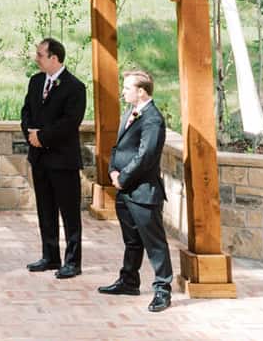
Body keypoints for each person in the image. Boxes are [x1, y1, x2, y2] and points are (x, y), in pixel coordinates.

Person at [99, 69, 173, 312]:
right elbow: (120, 146)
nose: (123, 91)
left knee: (155, 243)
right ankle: (129, 280)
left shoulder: (152, 119)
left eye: (127, 87)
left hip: (143, 192)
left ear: (141, 92)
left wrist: (123, 178)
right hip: (125, 190)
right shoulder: (129, 112)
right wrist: (112, 171)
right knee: (132, 241)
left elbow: (146, 156)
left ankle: (162, 289)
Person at [19, 37, 86, 279]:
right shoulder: (36, 82)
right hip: (39, 159)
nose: (36, 58)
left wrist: (43, 137)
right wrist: (30, 134)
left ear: (54, 58)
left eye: (40, 55)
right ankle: (50, 256)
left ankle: (72, 262)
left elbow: (69, 122)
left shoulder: (75, 88)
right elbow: (26, 111)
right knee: (45, 210)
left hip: (63, 160)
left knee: (69, 213)